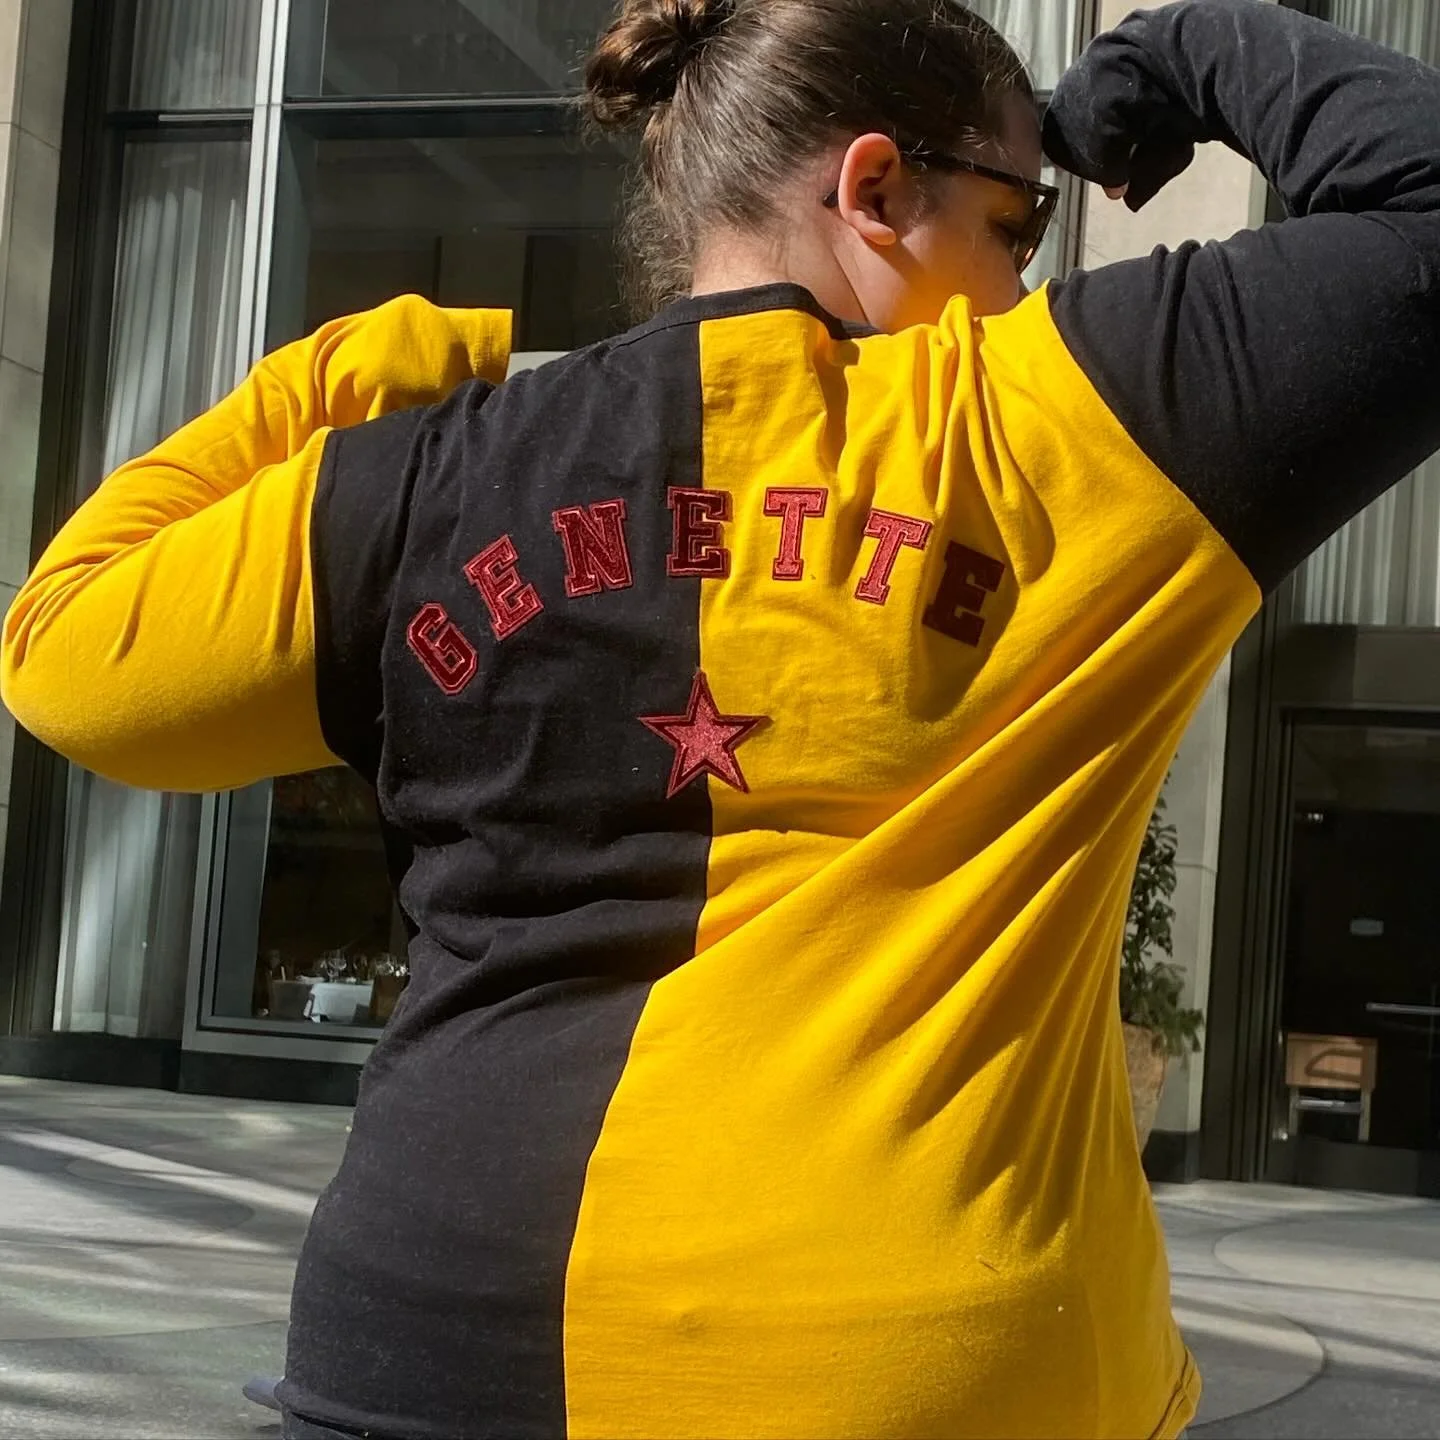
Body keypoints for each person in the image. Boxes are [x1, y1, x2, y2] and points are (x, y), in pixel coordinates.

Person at [6, 0, 1440, 1434]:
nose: (1022, 285)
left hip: (430, 1340)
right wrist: (1176, 52)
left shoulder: (420, 480)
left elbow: (62, 658)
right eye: (1019, 224)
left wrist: (345, 372)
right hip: (911, 1363)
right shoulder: (1057, 417)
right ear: (876, 192)